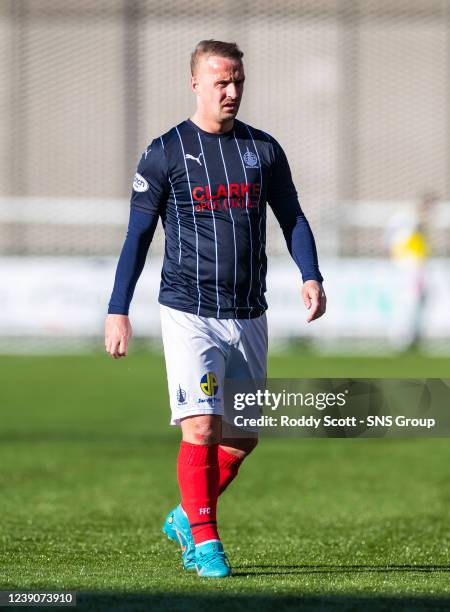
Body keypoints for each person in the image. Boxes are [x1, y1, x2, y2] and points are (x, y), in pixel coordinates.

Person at [104, 40, 326, 578]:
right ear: (196, 83)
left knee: (243, 435)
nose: (232, 92)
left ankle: (187, 515)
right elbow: (137, 235)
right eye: (222, 82)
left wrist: (311, 273)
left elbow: (292, 217)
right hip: (189, 311)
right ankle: (206, 544)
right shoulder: (166, 152)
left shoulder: (263, 150)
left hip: (249, 311)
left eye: (239, 82)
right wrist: (118, 308)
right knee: (200, 428)